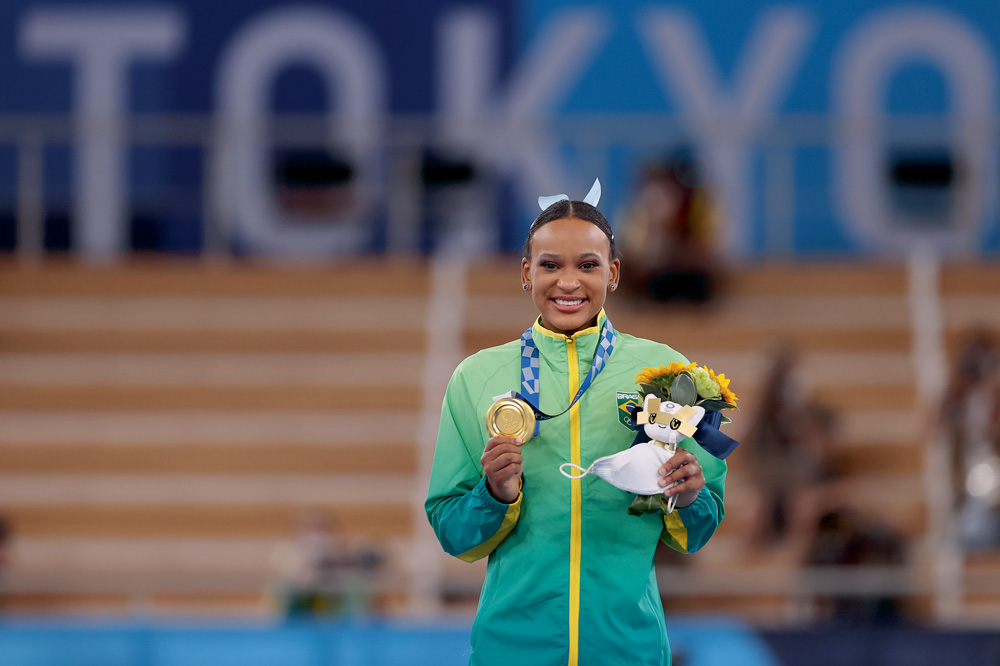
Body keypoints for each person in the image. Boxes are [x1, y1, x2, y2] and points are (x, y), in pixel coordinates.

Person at [425, 184, 727, 666]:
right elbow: (452, 530)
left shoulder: (671, 373)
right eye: (550, 265)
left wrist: (687, 496)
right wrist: (496, 493)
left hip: (628, 648)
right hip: (513, 649)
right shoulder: (475, 377)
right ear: (526, 273)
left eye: (588, 265)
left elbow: (704, 522)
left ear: (614, 273)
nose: (568, 282)